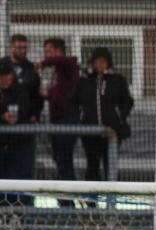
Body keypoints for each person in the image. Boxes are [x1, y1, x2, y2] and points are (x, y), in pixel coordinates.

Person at [0, 34, 43, 176]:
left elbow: (37, 96)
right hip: (2, 131)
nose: (22, 50)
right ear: (11, 47)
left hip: (24, 127)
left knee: (25, 169)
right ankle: (3, 198)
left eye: (24, 47)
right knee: (4, 170)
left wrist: (35, 114)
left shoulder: (30, 69)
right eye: (19, 47)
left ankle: (25, 199)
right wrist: (0, 115)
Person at [73, 47, 133, 182]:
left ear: (108, 63)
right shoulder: (85, 80)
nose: (100, 65)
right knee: (92, 167)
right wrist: (80, 118)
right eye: (97, 61)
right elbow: (74, 101)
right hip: (90, 132)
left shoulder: (117, 79)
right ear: (92, 63)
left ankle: (111, 200)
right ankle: (91, 202)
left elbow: (128, 102)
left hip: (112, 132)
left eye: (103, 62)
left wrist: (120, 117)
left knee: (110, 166)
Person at [0, 61, 33, 207]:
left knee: (21, 175)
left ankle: (23, 208)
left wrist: (16, 118)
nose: (3, 80)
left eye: (6, 76)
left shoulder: (20, 89)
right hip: (1, 143)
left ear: (11, 76)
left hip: (21, 143)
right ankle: (1, 207)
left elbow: (26, 110)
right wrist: (1, 117)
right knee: (2, 174)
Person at [38, 37, 80, 193]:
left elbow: (62, 61)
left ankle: (71, 198)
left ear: (58, 51)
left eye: (49, 51)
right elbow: (58, 92)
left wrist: (42, 64)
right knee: (59, 160)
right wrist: (46, 94)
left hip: (67, 119)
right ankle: (66, 200)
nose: (47, 55)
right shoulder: (57, 73)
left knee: (64, 160)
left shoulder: (69, 65)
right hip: (56, 120)